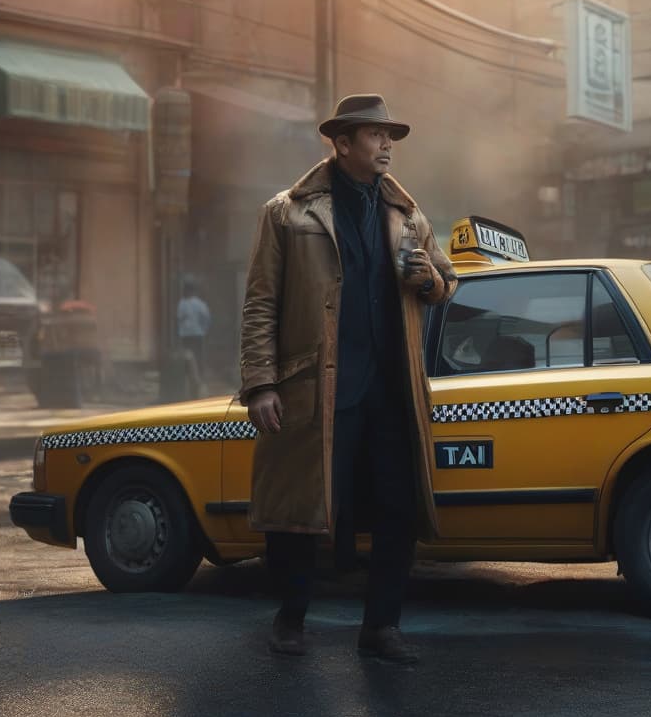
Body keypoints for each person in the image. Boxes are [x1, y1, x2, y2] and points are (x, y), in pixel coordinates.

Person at [238, 93, 457, 664]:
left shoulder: (407, 214)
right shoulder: (288, 212)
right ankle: (291, 619)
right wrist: (261, 383)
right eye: (376, 135)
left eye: (391, 136)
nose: (387, 145)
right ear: (342, 143)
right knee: (303, 511)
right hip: (317, 386)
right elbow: (260, 302)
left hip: (393, 389)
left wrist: (427, 277)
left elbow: (447, 281)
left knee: (396, 509)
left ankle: (381, 628)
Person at [176, 279, 211, 388]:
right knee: (198, 356)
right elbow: (207, 319)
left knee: (188, 356)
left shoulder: (182, 303)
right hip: (197, 334)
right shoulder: (200, 304)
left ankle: (191, 379)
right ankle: (198, 380)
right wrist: (204, 330)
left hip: (185, 334)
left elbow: (178, 318)